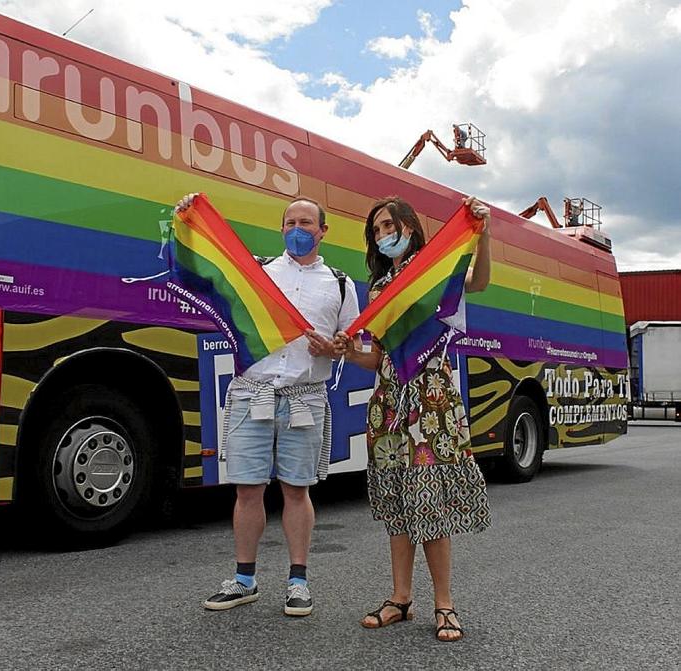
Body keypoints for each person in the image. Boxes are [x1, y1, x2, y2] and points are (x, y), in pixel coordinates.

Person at [174, 193, 360, 617]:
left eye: (306, 223)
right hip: (251, 392)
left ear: (323, 231)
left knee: (297, 490)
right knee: (247, 489)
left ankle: (298, 582)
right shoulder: (255, 273)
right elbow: (199, 270)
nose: (297, 230)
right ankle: (244, 580)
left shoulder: (341, 284)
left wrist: (334, 348)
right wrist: (186, 222)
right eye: (290, 222)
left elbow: (353, 341)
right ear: (281, 229)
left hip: (304, 397)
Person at [334, 195, 492, 642]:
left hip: (431, 399)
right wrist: (352, 352)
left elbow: (478, 282)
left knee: (431, 504)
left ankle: (445, 604)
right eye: (376, 231)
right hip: (388, 404)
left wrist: (484, 231)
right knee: (401, 506)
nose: (384, 235)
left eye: (388, 225)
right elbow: (378, 357)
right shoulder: (379, 287)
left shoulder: (436, 269)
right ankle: (401, 598)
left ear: (409, 225)